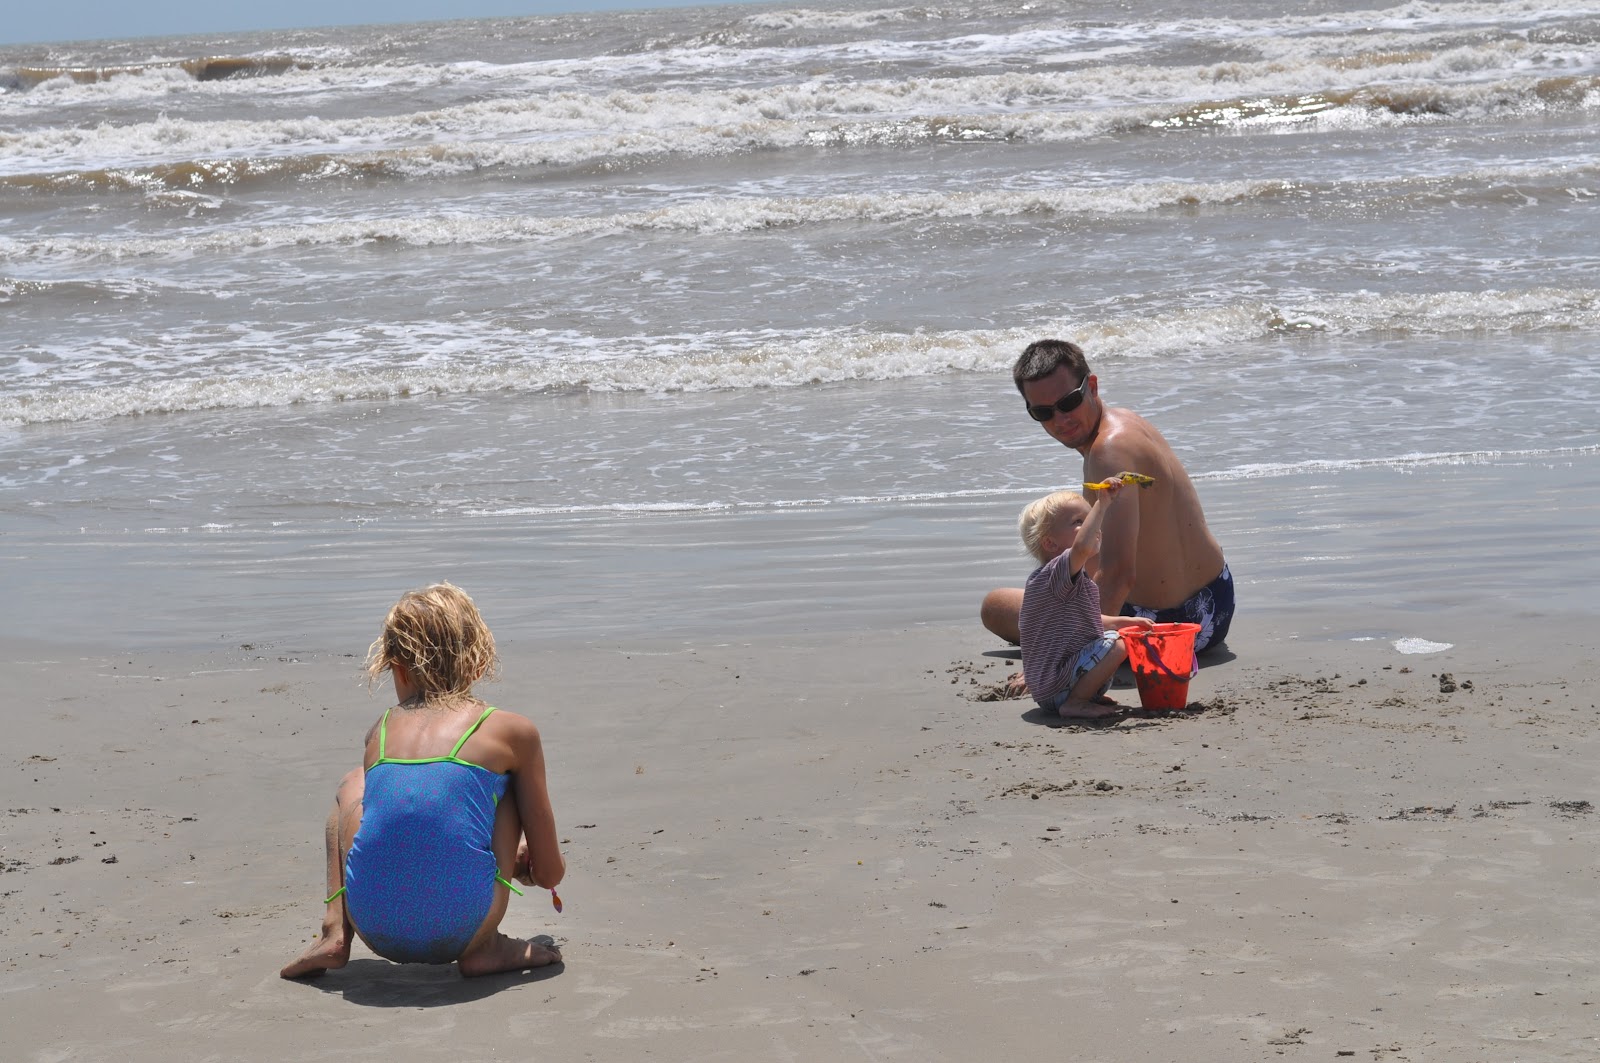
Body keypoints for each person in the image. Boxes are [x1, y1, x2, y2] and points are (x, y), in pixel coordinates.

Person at [281, 582, 566, 979]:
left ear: (396, 667)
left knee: (354, 784)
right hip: (465, 928)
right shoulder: (512, 732)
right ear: (479, 663)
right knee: (505, 787)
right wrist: (530, 867)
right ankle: (486, 946)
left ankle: (334, 930)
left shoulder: (380, 731)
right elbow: (550, 874)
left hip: (373, 925)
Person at [981, 338, 1234, 652]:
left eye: (1069, 402)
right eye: (1043, 412)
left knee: (996, 605)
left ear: (1092, 386)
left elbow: (1118, 574)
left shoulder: (1107, 452)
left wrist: (1067, 655)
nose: (1060, 419)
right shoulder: (1126, 423)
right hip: (1217, 602)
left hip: (1166, 627)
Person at [1013, 480, 1153, 718]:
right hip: (1056, 687)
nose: (1092, 526)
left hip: (1050, 689)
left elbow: (1087, 618)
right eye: (1080, 522)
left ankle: (1083, 694)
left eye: (1090, 520)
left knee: (1116, 635)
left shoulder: (1060, 581)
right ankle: (1076, 701)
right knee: (1118, 644)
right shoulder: (1056, 573)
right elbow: (1081, 548)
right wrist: (1102, 503)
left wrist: (1124, 622)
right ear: (1050, 543)